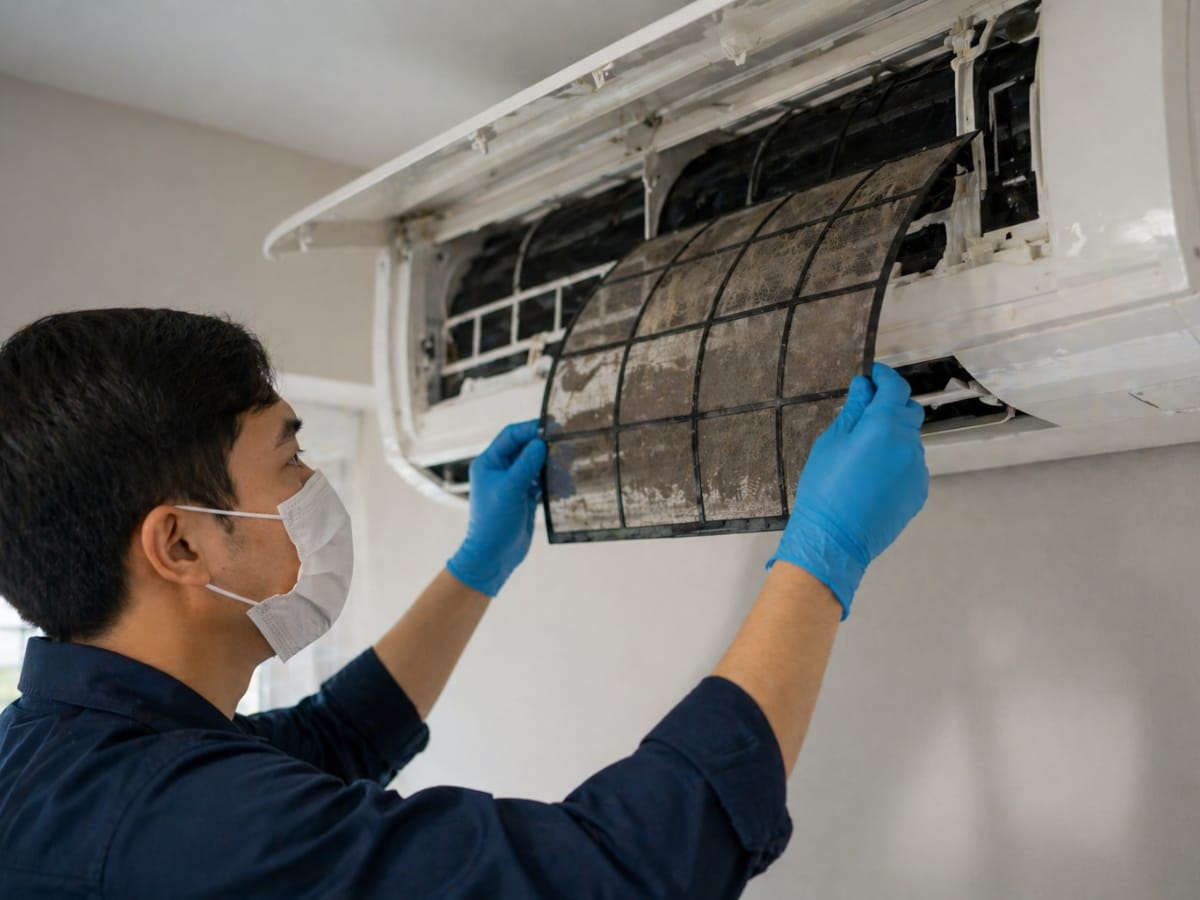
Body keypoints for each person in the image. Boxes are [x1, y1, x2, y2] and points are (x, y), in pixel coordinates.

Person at [0, 308, 927, 899]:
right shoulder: (176, 830)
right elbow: (622, 877)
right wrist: (822, 557)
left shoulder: (59, 750)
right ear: (183, 544)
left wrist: (478, 565)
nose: (314, 484)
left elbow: (332, 747)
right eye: (288, 460)